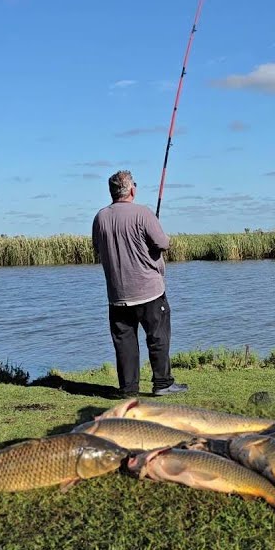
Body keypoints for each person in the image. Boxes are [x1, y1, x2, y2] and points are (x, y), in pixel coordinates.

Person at [91, 170, 188, 398]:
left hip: (117, 295)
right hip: (149, 290)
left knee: (124, 343)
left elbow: (97, 248)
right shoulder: (143, 214)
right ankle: (162, 383)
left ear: (112, 191)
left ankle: (128, 388)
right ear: (132, 190)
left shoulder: (100, 217)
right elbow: (163, 243)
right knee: (158, 337)